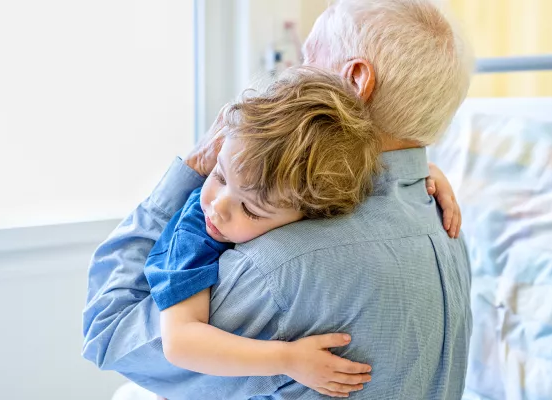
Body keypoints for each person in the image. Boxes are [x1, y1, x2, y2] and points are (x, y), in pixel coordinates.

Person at [83, 0, 474, 398]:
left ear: (354, 81)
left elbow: (109, 333)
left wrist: (194, 167)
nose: (289, 74)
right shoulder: (447, 228)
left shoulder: (278, 264)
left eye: (307, 57)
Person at [146, 68, 381, 399]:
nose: (217, 205)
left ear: (312, 212)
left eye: (251, 210)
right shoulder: (195, 233)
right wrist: (288, 360)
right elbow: (180, 342)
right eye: (220, 175)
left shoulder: (302, 200)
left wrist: (432, 174)